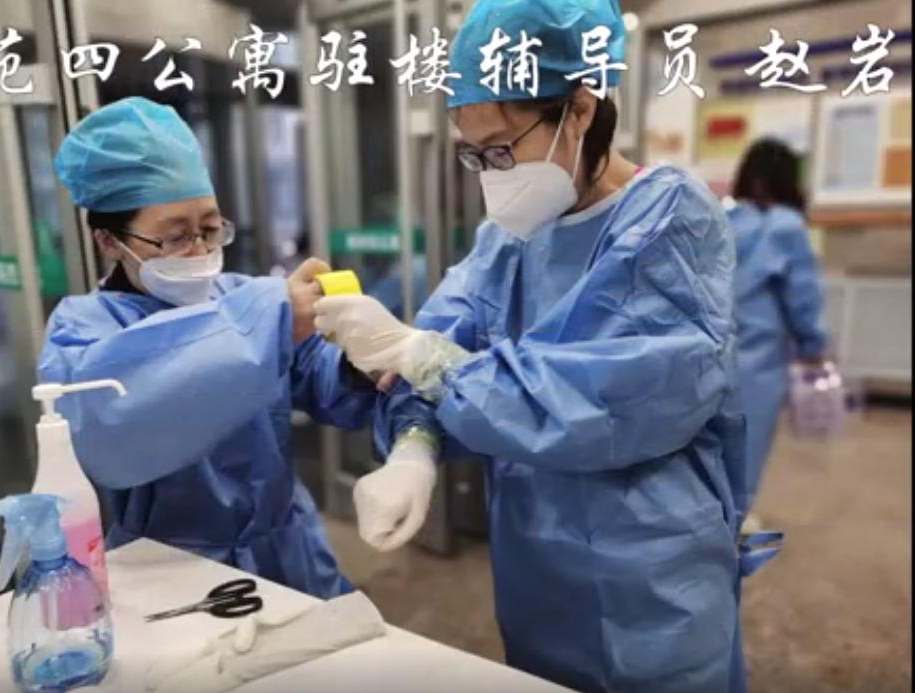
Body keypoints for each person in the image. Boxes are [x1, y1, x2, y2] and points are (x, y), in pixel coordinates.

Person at [314, 0, 755, 690]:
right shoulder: (508, 239)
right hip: (534, 567)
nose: (491, 174)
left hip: (650, 576)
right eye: (474, 155)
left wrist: (424, 359)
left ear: (579, 109)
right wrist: (415, 447)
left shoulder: (670, 220)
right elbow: (438, 343)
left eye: (501, 148)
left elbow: (616, 399)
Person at [40, 97, 378, 599]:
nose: (199, 251)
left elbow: (321, 376)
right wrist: (268, 325)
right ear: (109, 242)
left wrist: (362, 358)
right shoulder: (82, 330)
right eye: (175, 237)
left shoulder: (245, 297)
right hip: (172, 572)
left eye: (210, 229)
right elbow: (109, 423)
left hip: (290, 551)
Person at [727, 138, 828, 531]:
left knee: (711, 439)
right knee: (749, 441)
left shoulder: (725, 220)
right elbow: (802, 295)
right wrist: (813, 344)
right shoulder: (787, 227)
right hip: (761, 356)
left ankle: (704, 513)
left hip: (715, 347)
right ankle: (734, 518)